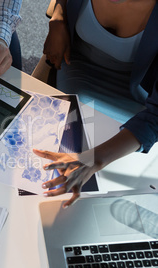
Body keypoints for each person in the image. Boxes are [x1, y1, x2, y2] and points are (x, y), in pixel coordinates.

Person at [34, 0, 158, 208]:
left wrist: (94, 160)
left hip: (136, 101)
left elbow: (155, 118)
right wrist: (58, 18)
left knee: (90, 201)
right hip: (76, 70)